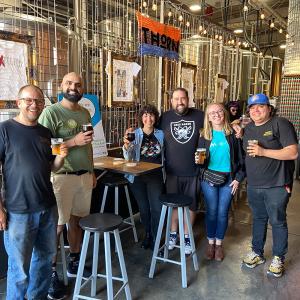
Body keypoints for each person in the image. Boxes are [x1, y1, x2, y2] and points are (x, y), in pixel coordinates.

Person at [0, 85, 67, 300]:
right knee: (19, 270)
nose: (34, 104)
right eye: (29, 100)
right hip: (18, 211)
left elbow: (51, 167)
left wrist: (61, 157)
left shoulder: (45, 132)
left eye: (38, 101)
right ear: (18, 102)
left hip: (47, 208)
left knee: (45, 262)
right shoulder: (4, 129)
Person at [39, 72, 97, 299]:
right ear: (61, 85)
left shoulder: (84, 112)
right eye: (69, 83)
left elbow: (89, 144)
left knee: (78, 222)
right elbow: (43, 147)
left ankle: (74, 261)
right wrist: (73, 141)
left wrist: (91, 171)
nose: (74, 87)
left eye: (78, 84)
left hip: (84, 177)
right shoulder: (50, 112)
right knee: (57, 226)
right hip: (61, 176)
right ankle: (51, 273)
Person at [241, 93, 298, 278]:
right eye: (252, 107)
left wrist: (263, 151)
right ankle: (257, 252)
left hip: (277, 184)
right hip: (254, 184)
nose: (256, 110)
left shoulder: (280, 124)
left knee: (277, 222)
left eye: (260, 106)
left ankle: (278, 258)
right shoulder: (248, 129)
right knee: (258, 219)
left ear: (269, 108)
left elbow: (292, 153)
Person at [195, 103, 245, 261]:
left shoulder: (233, 134)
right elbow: (200, 160)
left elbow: (242, 159)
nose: (216, 115)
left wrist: (238, 178)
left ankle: (218, 244)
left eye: (219, 111)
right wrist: (198, 162)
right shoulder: (203, 135)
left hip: (229, 179)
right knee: (212, 211)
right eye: (212, 113)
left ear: (224, 113)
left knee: (223, 212)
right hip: (208, 178)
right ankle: (210, 243)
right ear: (208, 118)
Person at [159, 87, 204, 255]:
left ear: (188, 99)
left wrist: (236, 125)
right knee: (174, 207)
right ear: (171, 101)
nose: (180, 102)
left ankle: (186, 237)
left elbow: (218, 123)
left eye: (183, 98)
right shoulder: (164, 117)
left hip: (193, 171)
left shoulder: (200, 115)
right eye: (176, 98)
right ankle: (172, 234)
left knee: (191, 206)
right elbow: (150, 132)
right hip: (171, 171)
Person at [123, 104, 164, 250]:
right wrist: (127, 146)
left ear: (155, 117)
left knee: (157, 208)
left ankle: (156, 236)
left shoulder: (161, 134)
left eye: (151, 115)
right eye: (145, 115)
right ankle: (147, 234)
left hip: (156, 175)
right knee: (144, 208)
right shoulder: (134, 133)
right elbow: (128, 157)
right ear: (141, 118)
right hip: (138, 176)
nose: (148, 118)